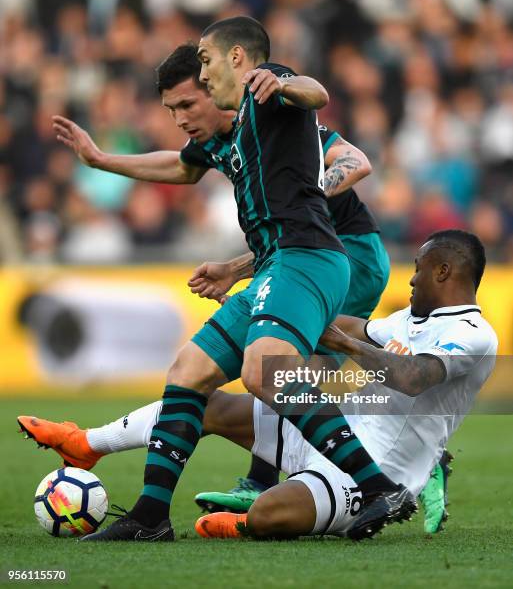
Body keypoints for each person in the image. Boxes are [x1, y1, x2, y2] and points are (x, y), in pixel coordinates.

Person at [50, 42, 446, 531]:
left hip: (344, 252)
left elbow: (352, 153)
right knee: (197, 371)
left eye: (187, 104)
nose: (178, 118)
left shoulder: (272, 113)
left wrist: (300, 193)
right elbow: (180, 165)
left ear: (217, 82)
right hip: (280, 258)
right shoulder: (219, 138)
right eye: (170, 109)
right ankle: (153, 515)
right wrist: (101, 160)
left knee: (281, 370)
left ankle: (390, 470)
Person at [20, 230, 496, 540]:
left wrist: (335, 340)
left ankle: (251, 522)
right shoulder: (408, 319)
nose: (410, 279)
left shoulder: (472, 335)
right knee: (204, 403)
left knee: (270, 515)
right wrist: (275, 312)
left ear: (444, 271)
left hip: (378, 470)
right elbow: (350, 329)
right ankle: (86, 443)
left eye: (417, 268)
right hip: (342, 431)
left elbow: (412, 379)